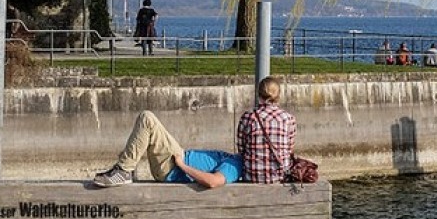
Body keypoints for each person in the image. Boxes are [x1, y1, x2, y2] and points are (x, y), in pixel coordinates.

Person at [93, 110, 242, 188]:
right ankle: (125, 168)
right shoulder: (235, 160)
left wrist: (183, 165)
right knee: (145, 125)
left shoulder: (235, 165)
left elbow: (213, 182)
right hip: (174, 162)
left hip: (172, 166)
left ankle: (124, 171)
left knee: (147, 118)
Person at [236, 76, 297, 183]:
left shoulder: (248, 117)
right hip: (280, 176)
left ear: (258, 94)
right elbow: (289, 149)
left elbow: (242, 149)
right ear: (278, 96)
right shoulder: (288, 118)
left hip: (252, 176)